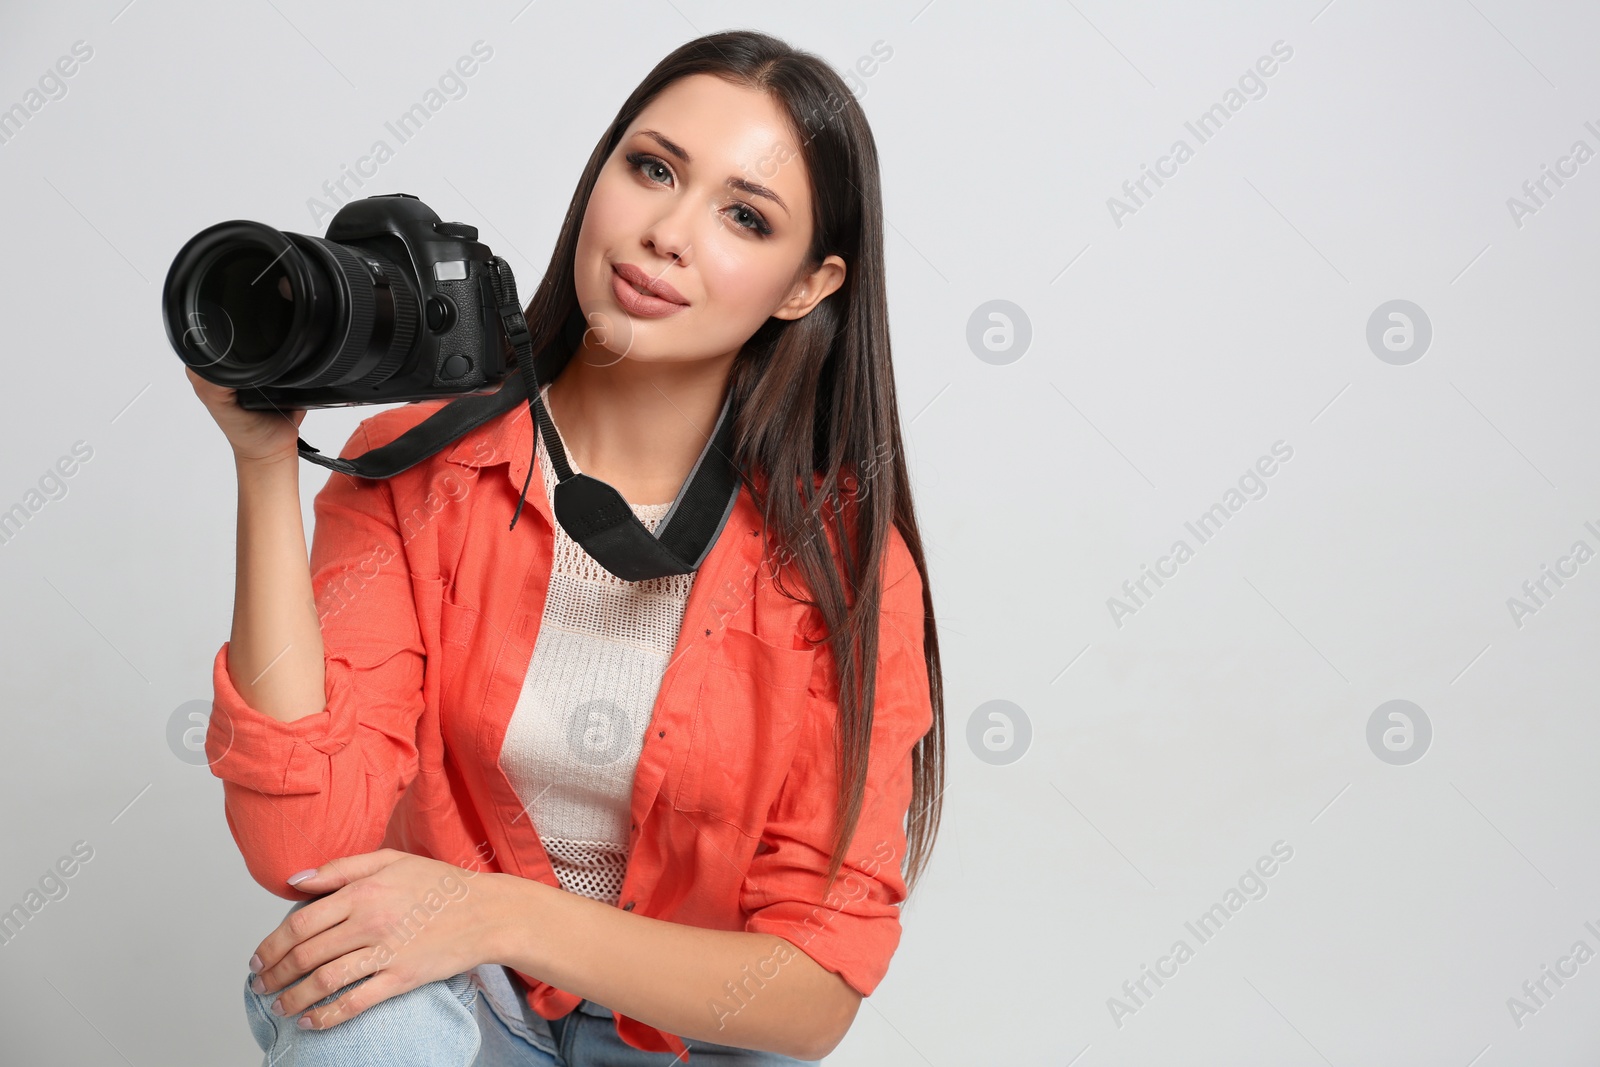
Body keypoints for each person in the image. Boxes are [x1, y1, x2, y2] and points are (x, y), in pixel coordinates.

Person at [186, 28, 946, 1067]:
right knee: (375, 1024)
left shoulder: (838, 566)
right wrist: (265, 464)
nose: (669, 232)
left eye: (743, 215)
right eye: (652, 168)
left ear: (804, 287)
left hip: (690, 1034)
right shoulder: (412, 469)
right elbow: (299, 847)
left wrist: (497, 912)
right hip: (460, 1002)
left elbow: (811, 992)